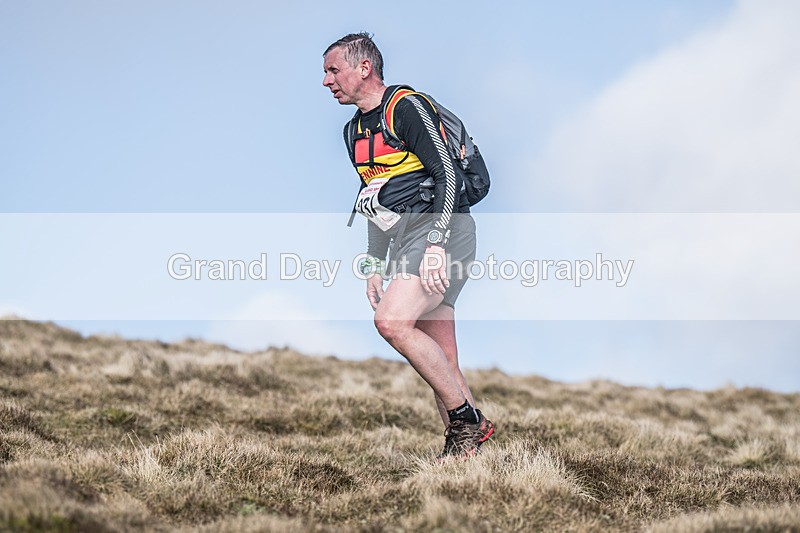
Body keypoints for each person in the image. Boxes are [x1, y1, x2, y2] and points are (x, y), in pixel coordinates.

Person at [322, 32, 494, 458]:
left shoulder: (406, 107)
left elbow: (448, 175)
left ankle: (467, 421)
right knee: (444, 362)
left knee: (391, 322)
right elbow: (374, 201)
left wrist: (436, 242)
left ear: (364, 68)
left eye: (333, 70)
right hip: (410, 237)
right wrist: (372, 267)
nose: (326, 81)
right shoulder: (354, 132)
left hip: (443, 232)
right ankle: (470, 459)